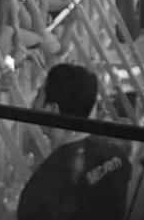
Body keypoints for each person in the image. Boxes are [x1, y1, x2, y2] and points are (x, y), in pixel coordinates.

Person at [18, 64, 132, 220]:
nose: (33, 104)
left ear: (52, 110)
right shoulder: (116, 155)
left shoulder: (42, 188)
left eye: (38, 96)